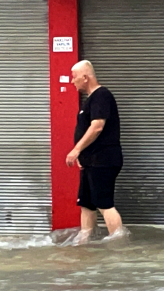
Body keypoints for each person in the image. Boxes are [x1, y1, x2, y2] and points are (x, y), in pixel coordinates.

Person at [66, 60, 126, 242]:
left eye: (74, 77)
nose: (71, 81)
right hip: (91, 161)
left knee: (104, 204)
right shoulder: (91, 99)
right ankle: (83, 242)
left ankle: (118, 244)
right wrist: (82, 156)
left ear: (85, 78)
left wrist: (76, 150)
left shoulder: (101, 95)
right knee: (86, 203)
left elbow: (98, 126)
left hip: (103, 160)